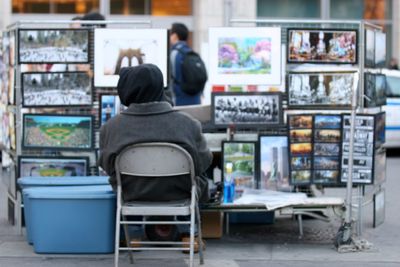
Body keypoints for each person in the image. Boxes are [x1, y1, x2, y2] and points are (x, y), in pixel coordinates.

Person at [99, 64, 212, 203]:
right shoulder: (188, 124)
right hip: (182, 194)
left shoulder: (110, 128)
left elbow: (106, 165)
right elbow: (204, 162)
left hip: (131, 195)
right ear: (160, 88)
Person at [169, 22, 202, 106]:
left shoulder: (174, 53)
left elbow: (172, 79)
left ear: (175, 36)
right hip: (196, 99)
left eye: (171, 34)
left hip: (180, 101)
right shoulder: (192, 52)